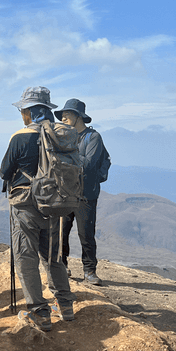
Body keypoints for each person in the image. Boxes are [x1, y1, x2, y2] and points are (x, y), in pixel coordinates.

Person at [0, 86, 76, 330]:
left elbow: (4, 172)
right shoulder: (62, 135)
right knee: (53, 257)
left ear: (30, 112)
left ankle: (40, 313)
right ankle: (65, 307)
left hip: (26, 205)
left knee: (26, 257)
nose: (21, 114)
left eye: (23, 110)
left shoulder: (20, 137)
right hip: (54, 204)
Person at [55, 98, 107, 286]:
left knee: (86, 234)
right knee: (62, 232)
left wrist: (66, 157)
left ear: (78, 117)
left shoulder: (93, 138)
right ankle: (62, 266)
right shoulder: (64, 136)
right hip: (65, 192)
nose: (63, 117)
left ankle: (89, 270)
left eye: (67, 114)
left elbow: (89, 165)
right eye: (62, 115)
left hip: (86, 195)